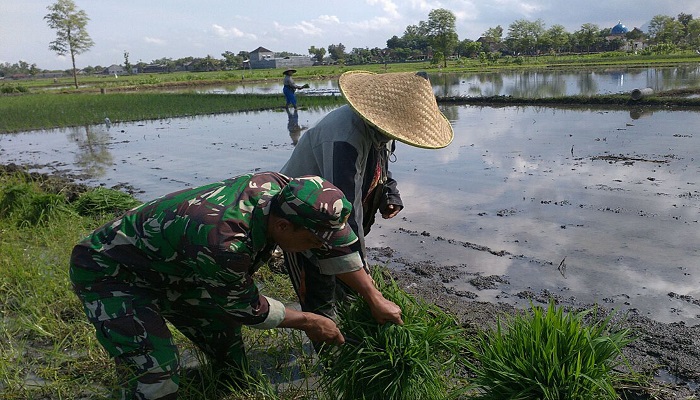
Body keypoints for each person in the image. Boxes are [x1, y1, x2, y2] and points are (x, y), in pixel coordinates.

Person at [69, 172, 399, 399]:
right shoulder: (225, 242)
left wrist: (374, 297)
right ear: (283, 227)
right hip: (112, 270)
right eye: (313, 242)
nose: (318, 249)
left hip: (181, 268)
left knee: (229, 356)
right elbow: (245, 307)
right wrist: (311, 321)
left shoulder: (286, 192)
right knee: (157, 374)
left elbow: (339, 245)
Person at [280, 70, 454, 323]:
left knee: (350, 293)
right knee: (320, 297)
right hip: (302, 224)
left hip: (335, 221)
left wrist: (389, 193)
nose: (395, 135)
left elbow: (379, 165)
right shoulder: (344, 139)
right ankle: (331, 350)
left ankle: (352, 334)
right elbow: (343, 213)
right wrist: (363, 273)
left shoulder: (379, 130)